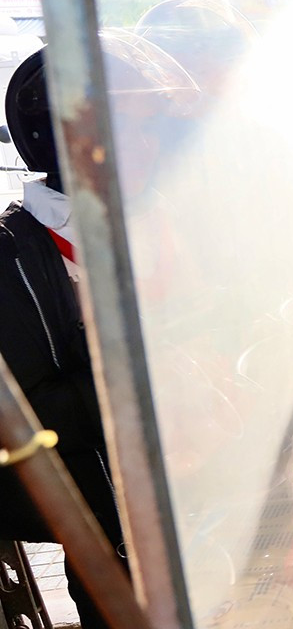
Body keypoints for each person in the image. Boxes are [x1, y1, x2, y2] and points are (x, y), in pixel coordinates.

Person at [0, 49, 128, 629]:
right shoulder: (13, 255)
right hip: (107, 532)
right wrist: (145, 381)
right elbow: (28, 419)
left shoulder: (144, 218)